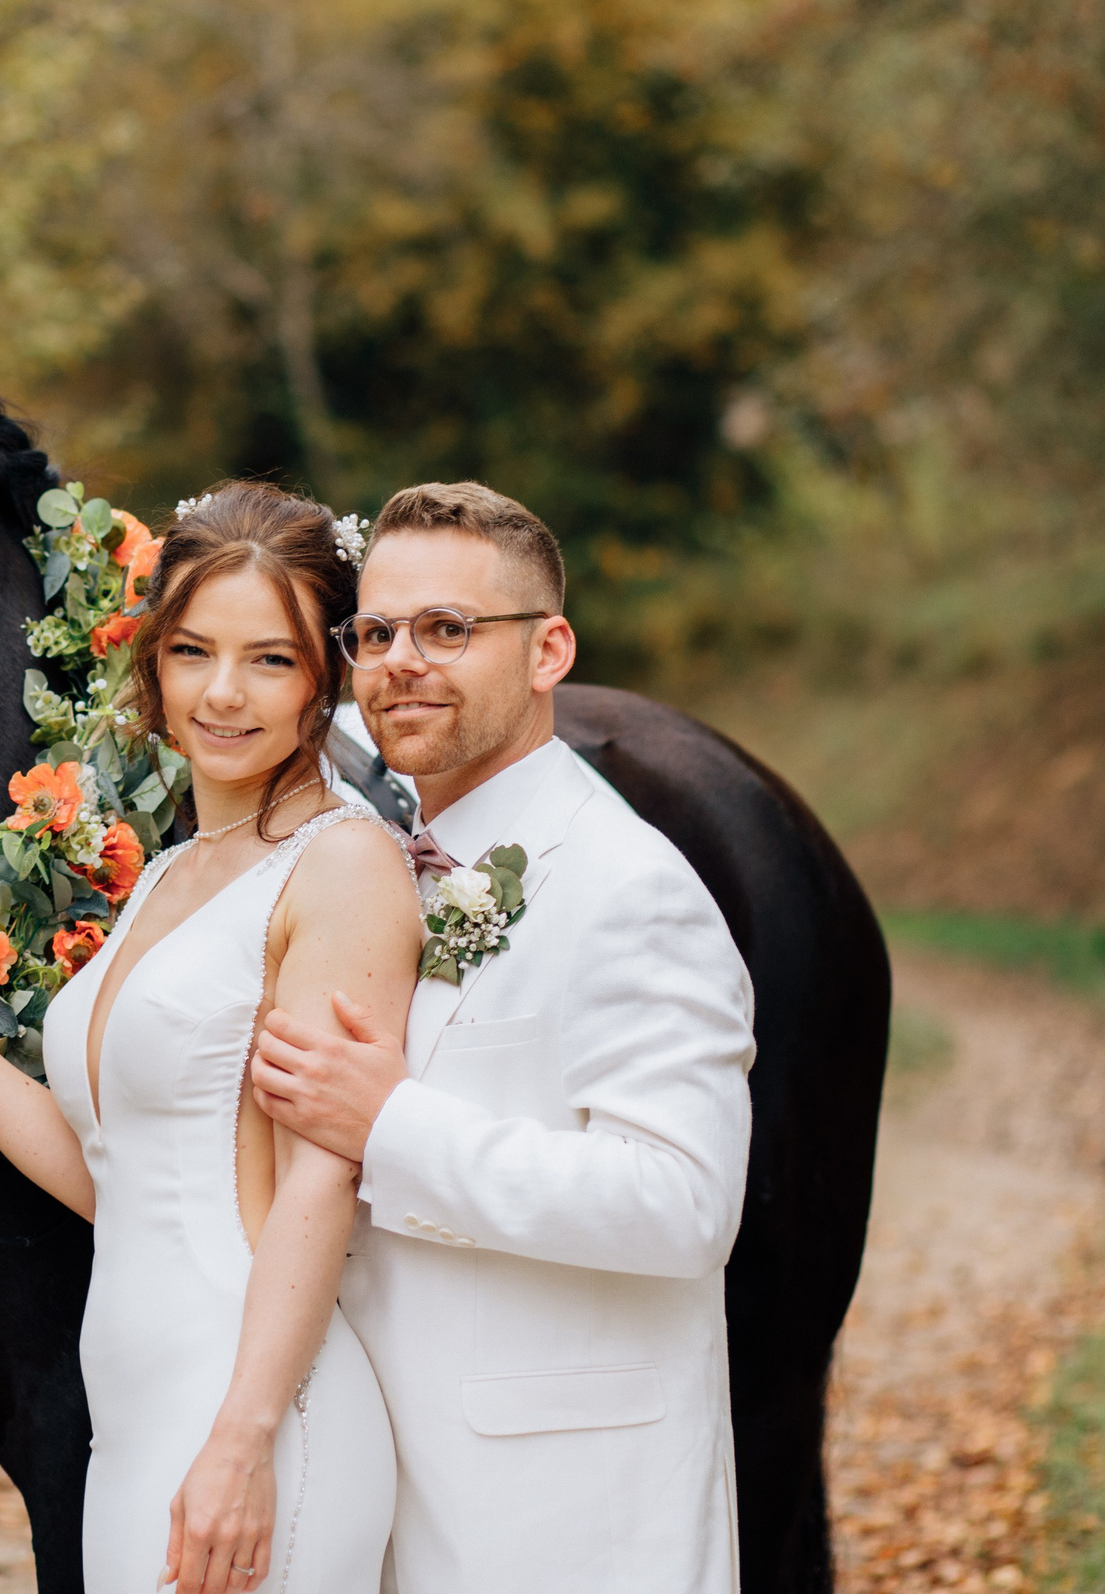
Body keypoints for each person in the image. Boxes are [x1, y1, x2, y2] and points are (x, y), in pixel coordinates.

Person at [0, 482, 420, 1594]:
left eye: (272, 660)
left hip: (257, 1420)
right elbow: (121, 1178)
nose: (224, 694)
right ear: (151, 662)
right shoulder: (168, 873)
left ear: (326, 677)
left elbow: (318, 1183)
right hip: (141, 1425)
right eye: (193, 650)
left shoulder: (339, 865)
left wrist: (241, 1444)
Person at [250, 481, 757, 1593]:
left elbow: (683, 1204)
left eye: (447, 630)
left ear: (548, 651)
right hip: (392, 1500)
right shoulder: (378, 872)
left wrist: (391, 1124)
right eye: (375, 633)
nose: (400, 662)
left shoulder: (629, 889)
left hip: (569, 1520)